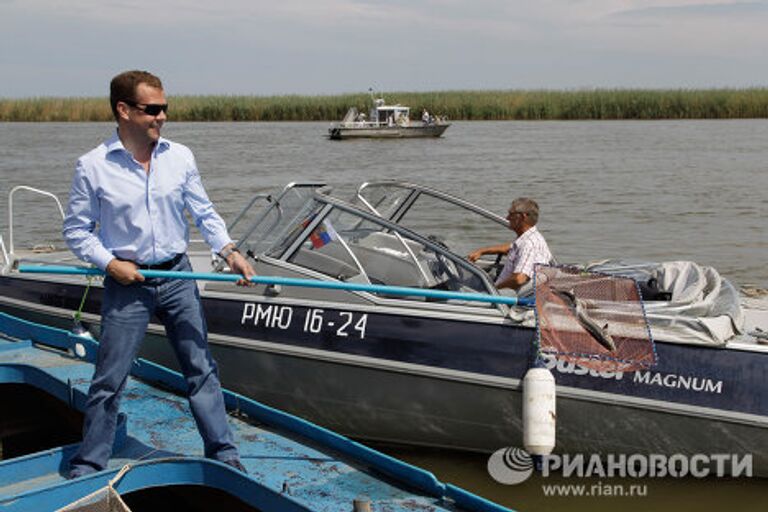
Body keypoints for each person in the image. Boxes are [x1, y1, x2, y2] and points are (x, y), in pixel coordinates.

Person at [62, 70, 256, 478]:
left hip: (178, 278)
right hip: (126, 284)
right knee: (109, 379)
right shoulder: (92, 166)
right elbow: (76, 232)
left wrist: (230, 251)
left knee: (201, 369)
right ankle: (89, 463)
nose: (162, 116)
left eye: (165, 107)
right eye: (153, 109)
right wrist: (111, 264)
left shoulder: (180, 156)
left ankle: (223, 454)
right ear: (124, 110)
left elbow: (203, 212)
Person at [468, 197, 552, 291]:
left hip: (500, 298)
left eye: (511, 214)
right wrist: (482, 251)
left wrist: (492, 290)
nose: (507, 218)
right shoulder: (529, 238)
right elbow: (511, 247)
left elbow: (519, 279)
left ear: (522, 217)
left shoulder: (529, 244)